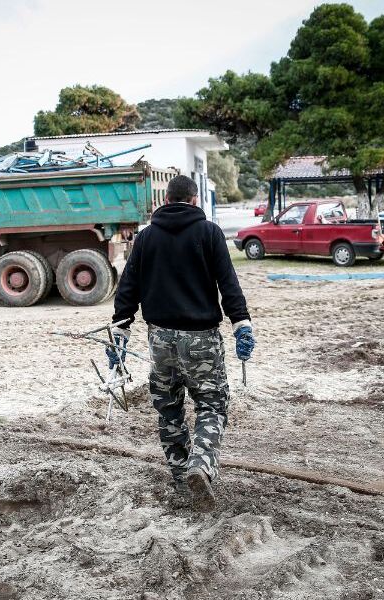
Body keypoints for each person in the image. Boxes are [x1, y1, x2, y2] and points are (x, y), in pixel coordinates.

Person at [107, 175, 254, 511]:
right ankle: (200, 465)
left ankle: (180, 479)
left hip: (160, 340)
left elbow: (128, 287)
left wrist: (120, 333)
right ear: (194, 199)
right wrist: (241, 324)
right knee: (212, 405)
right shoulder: (210, 233)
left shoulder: (146, 237)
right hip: (202, 339)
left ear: (166, 200)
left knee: (169, 409)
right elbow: (228, 284)